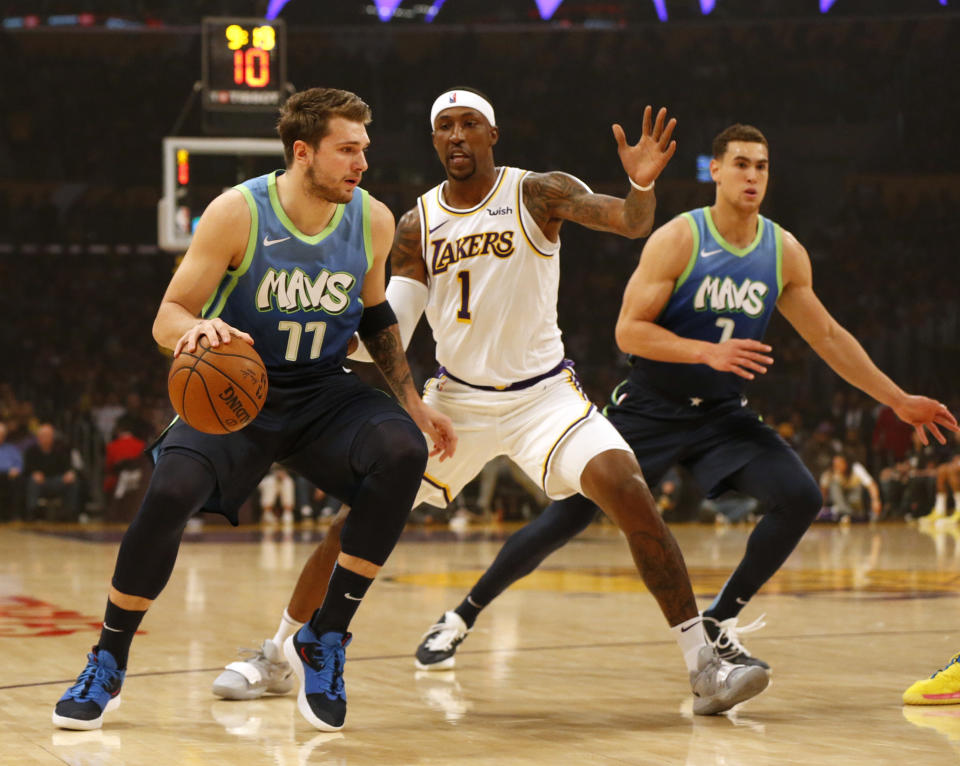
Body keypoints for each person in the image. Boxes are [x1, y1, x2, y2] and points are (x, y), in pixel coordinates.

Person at [213, 87, 771, 718]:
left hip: (544, 398)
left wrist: (640, 187)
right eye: (445, 126)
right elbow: (393, 325)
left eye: (469, 124)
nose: (457, 135)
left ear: (491, 134)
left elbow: (627, 222)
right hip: (456, 405)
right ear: (434, 141)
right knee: (358, 518)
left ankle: (704, 667)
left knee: (627, 485)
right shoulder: (416, 223)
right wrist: (328, 315)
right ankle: (279, 654)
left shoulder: (538, 192)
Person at [396, 122, 957, 671]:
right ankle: (462, 615)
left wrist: (898, 399)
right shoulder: (681, 238)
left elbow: (829, 337)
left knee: (802, 497)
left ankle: (719, 620)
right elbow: (628, 332)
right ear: (715, 171)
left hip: (721, 415)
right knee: (566, 519)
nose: (752, 177)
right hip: (650, 406)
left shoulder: (783, 251)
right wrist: (705, 352)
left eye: (761, 167)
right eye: (740, 164)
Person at [52, 87, 456, 733]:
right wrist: (191, 332)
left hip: (323, 389)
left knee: (404, 453)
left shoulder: (374, 219)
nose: (361, 163)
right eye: (347, 150)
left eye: (364, 149)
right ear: (303, 152)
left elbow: (376, 316)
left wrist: (411, 400)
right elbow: (168, 313)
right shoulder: (237, 212)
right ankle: (108, 658)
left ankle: (324, 637)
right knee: (168, 494)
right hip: (240, 390)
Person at [24, 423, 80, 521]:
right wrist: (34, 473)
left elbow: (68, 467)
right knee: (32, 481)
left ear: (52, 437)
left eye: (48, 436)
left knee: (73, 481)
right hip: (41, 482)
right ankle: (32, 512)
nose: (45, 438)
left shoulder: (61, 449)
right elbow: (27, 469)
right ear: (38, 437)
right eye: (43, 436)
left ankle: (70, 513)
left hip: (57, 480)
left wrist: (69, 473)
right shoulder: (31, 451)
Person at [819, 452, 881, 522]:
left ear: (846, 463)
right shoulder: (829, 474)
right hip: (839, 506)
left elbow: (871, 485)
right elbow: (823, 493)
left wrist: (875, 500)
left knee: (858, 486)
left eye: (840, 463)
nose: (837, 466)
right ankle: (844, 513)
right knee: (834, 485)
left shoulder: (856, 468)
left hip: (855, 504)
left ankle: (853, 514)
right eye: (835, 464)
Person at [0, 421, 24, 520]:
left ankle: (13, 514)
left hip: (9, 477)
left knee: (17, 481)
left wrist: (17, 470)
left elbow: (19, 465)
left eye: (1, 435)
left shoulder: (12, 449)